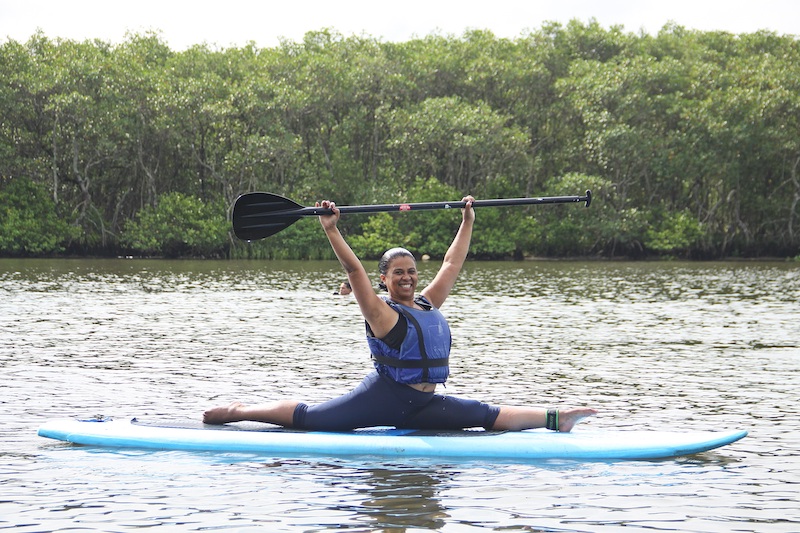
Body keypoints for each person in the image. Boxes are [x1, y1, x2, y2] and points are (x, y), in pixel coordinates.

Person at [204, 196, 597, 432]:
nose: (407, 277)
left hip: (424, 404)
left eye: (411, 271)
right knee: (312, 419)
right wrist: (331, 229)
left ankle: (556, 418)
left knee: (485, 415)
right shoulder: (381, 312)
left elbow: (451, 264)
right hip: (384, 398)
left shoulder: (426, 304)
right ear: (385, 279)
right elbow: (353, 270)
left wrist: (467, 221)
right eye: (398, 273)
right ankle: (238, 411)